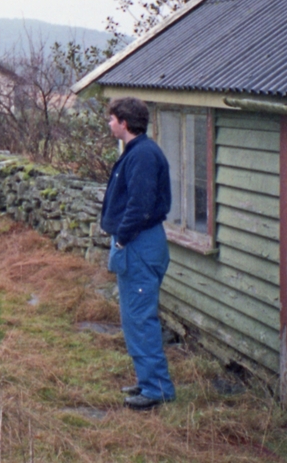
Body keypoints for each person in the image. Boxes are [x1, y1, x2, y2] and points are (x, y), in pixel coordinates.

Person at [101, 96, 176, 410]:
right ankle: (148, 381)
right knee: (133, 319)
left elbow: (140, 206)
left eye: (112, 118)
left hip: (140, 244)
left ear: (124, 123)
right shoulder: (137, 151)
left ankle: (157, 390)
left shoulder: (143, 155)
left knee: (141, 319)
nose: (109, 123)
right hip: (139, 242)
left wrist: (121, 241)